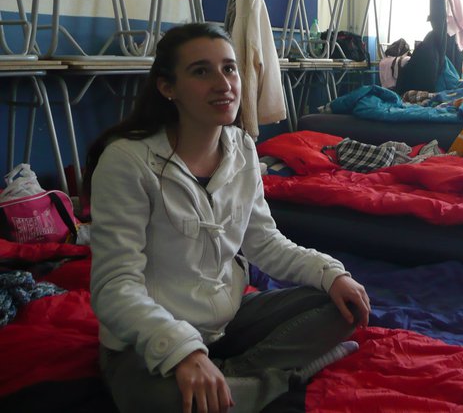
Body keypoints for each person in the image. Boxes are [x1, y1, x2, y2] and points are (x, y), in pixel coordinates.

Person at [84, 23, 371, 413]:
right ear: (168, 87)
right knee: (159, 401)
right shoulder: (127, 162)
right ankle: (273, 379)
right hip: (149, 338)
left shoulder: (243, 149)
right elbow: (114, 286)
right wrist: (182, 351)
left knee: (342, 306)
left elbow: (265, 243)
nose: (223, 84)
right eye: (201, 71)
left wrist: (331, 274)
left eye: (229, 68)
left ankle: (230, 383)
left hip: (225, 323)